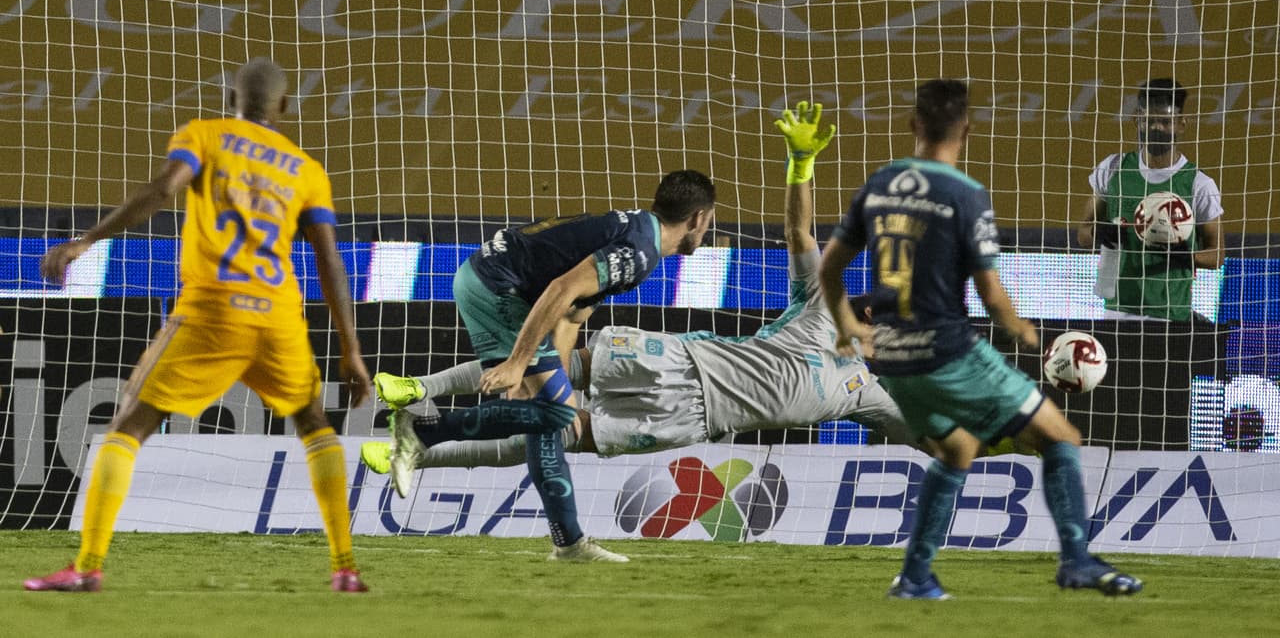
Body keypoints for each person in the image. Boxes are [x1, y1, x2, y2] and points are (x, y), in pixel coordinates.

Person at [363, 103, 914, 475]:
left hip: (691, 420)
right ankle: (418, 389)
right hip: (680, 358)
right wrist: (801, 164)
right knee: (563, 373)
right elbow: (800, 233)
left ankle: (417, 453)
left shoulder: (867, 394)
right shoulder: (822, 305)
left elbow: (936, 440)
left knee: (560, 433)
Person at [25, 58, 373, 593]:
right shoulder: (307, 170)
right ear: (284, 107)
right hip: (278, 314)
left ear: (231, 100)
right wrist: (351, 349)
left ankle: (87, 566)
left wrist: (87, 240)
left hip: (213, 307)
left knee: (128, 426)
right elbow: (330, 261)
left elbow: (163, 190)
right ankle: (345, 567)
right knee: (313, 423)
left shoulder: (205, 135)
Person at [818, 78, 1142, 600]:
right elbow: (990, 292)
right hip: (948, 353)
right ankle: (1077, 561)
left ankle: (916, 577)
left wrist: (845, 326)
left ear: (912, 124)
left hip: (893, 359)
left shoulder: (879, 183)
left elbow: (829, 268)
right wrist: (1019, 327)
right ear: (966, 130)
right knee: (1061, 439)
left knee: (958, 449)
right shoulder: (964, 194)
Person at [388, 167, 716, 562]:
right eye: (709, 221)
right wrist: (518, 364)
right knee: (557, 413)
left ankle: (569, 543)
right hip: (497, 287)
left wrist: (551, 382)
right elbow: (562, 289)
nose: (707, 229)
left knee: (549, 416)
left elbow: (571, 317)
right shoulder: (640, 253)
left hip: (485, 278)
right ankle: (421, 431)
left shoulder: (634, 231)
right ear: (698, 218)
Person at [1077, 78, 1224, 320]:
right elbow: (1083, 234)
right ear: (1137, 119)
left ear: (1181, 124)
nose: (1156, 127)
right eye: (1148, 120)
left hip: (1171, 314)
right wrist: (1099, 233)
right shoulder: (1112, 168)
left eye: (1165, 122)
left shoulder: (1198, 183)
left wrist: (1185, 257)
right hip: (1117, 310)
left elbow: (1217, 255)